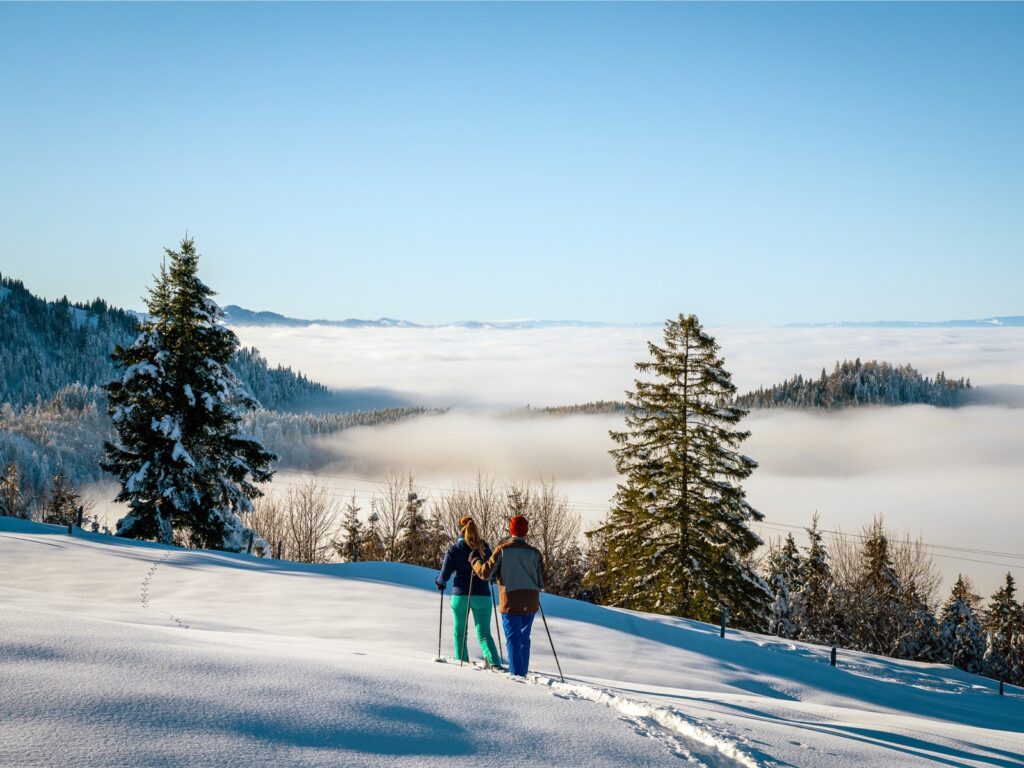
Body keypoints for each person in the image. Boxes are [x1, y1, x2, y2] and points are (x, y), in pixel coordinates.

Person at [469, 514, 544, 677]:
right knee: (524, 638)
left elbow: (485, 573)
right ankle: (521, 672)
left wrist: (475, 560)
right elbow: (542, 581)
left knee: (513, 639)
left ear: (511, 530)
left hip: (510, 601)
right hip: (531, 601)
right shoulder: (535, 553)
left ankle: (518, 677)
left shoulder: (502, 550)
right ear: (526, 531)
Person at [436, 516, 501, 667]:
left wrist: (439, 582)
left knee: (460, 633)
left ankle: (462, 663)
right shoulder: (484, 548)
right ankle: (494, 663)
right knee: (484, 634)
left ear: (460, 530)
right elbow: (491, 571)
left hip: (461, 596)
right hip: (482, 596)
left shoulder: (454, 550)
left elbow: (444, 576)